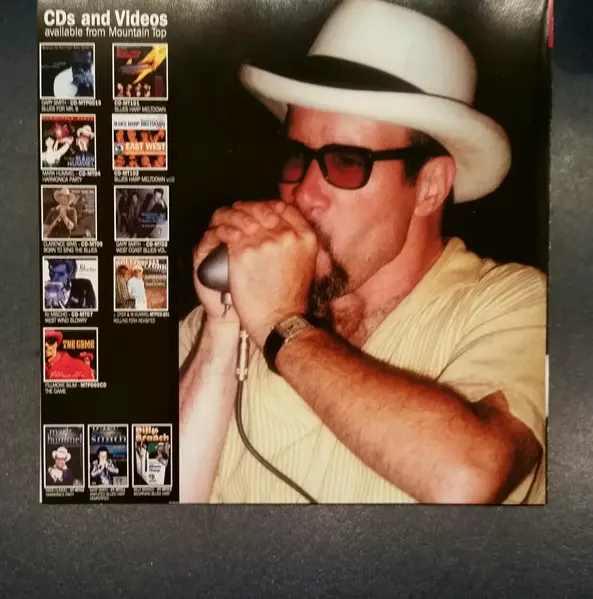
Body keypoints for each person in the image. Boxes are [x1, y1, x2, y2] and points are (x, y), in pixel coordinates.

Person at [179, 0, 546, 504]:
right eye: (297, 158)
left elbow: (467, 478)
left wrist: (282, 325)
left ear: (429, 187)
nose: (304, 193)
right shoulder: (238, 310)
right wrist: (221, 334)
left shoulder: (513, 305)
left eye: (346, 162)